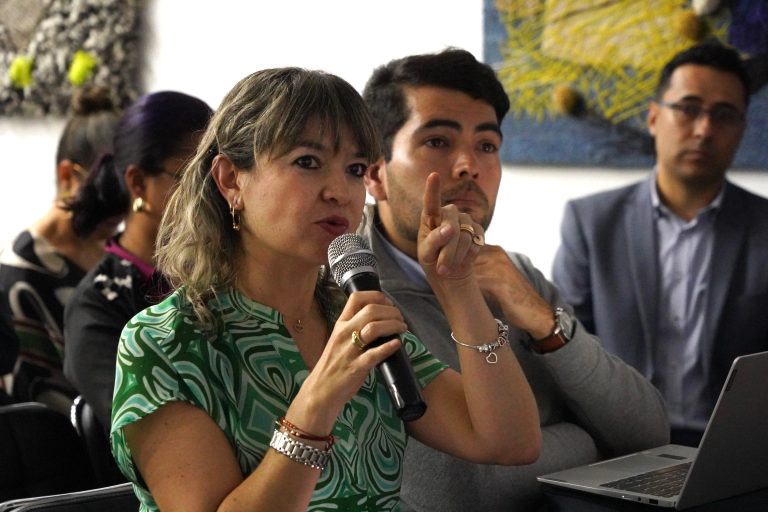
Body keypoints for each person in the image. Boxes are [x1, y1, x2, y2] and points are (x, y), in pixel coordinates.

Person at [109, 67, 541, 511]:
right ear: (231, 180)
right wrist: (318, 401)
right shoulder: (163, 343)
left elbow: (510, 442)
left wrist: (459, 287)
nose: (339, 192)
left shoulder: (350, 314)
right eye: (308, 162)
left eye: (354, 170)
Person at [360, 48, 670, 512]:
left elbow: (649, 435)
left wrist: (546, 324)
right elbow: (459, 488)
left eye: (487, 146)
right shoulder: (351, 293)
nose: (469, 165)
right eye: (438, 141)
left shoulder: (516, 274)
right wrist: (588, 442)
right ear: (375, 175)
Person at [552, 42, 768, 448]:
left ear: (742, 128)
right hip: (618, 444)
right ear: (654, 117)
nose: (704, 129)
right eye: (688, 109)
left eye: (724, 115)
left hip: (736, 449)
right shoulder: (592, 223)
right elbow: (566, 347)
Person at [62, 91, 213, 435]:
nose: (213, 191)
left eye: (217, 173)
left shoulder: (225, 273)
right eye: (191, 176)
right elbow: (147, 432)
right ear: (138, 183)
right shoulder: (98, 306)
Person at [0, 87, 122, 412]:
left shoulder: (115, 255)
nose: (119, 210)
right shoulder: (19, 274)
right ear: (67, 175)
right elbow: (33, 397)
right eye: (106, 190)